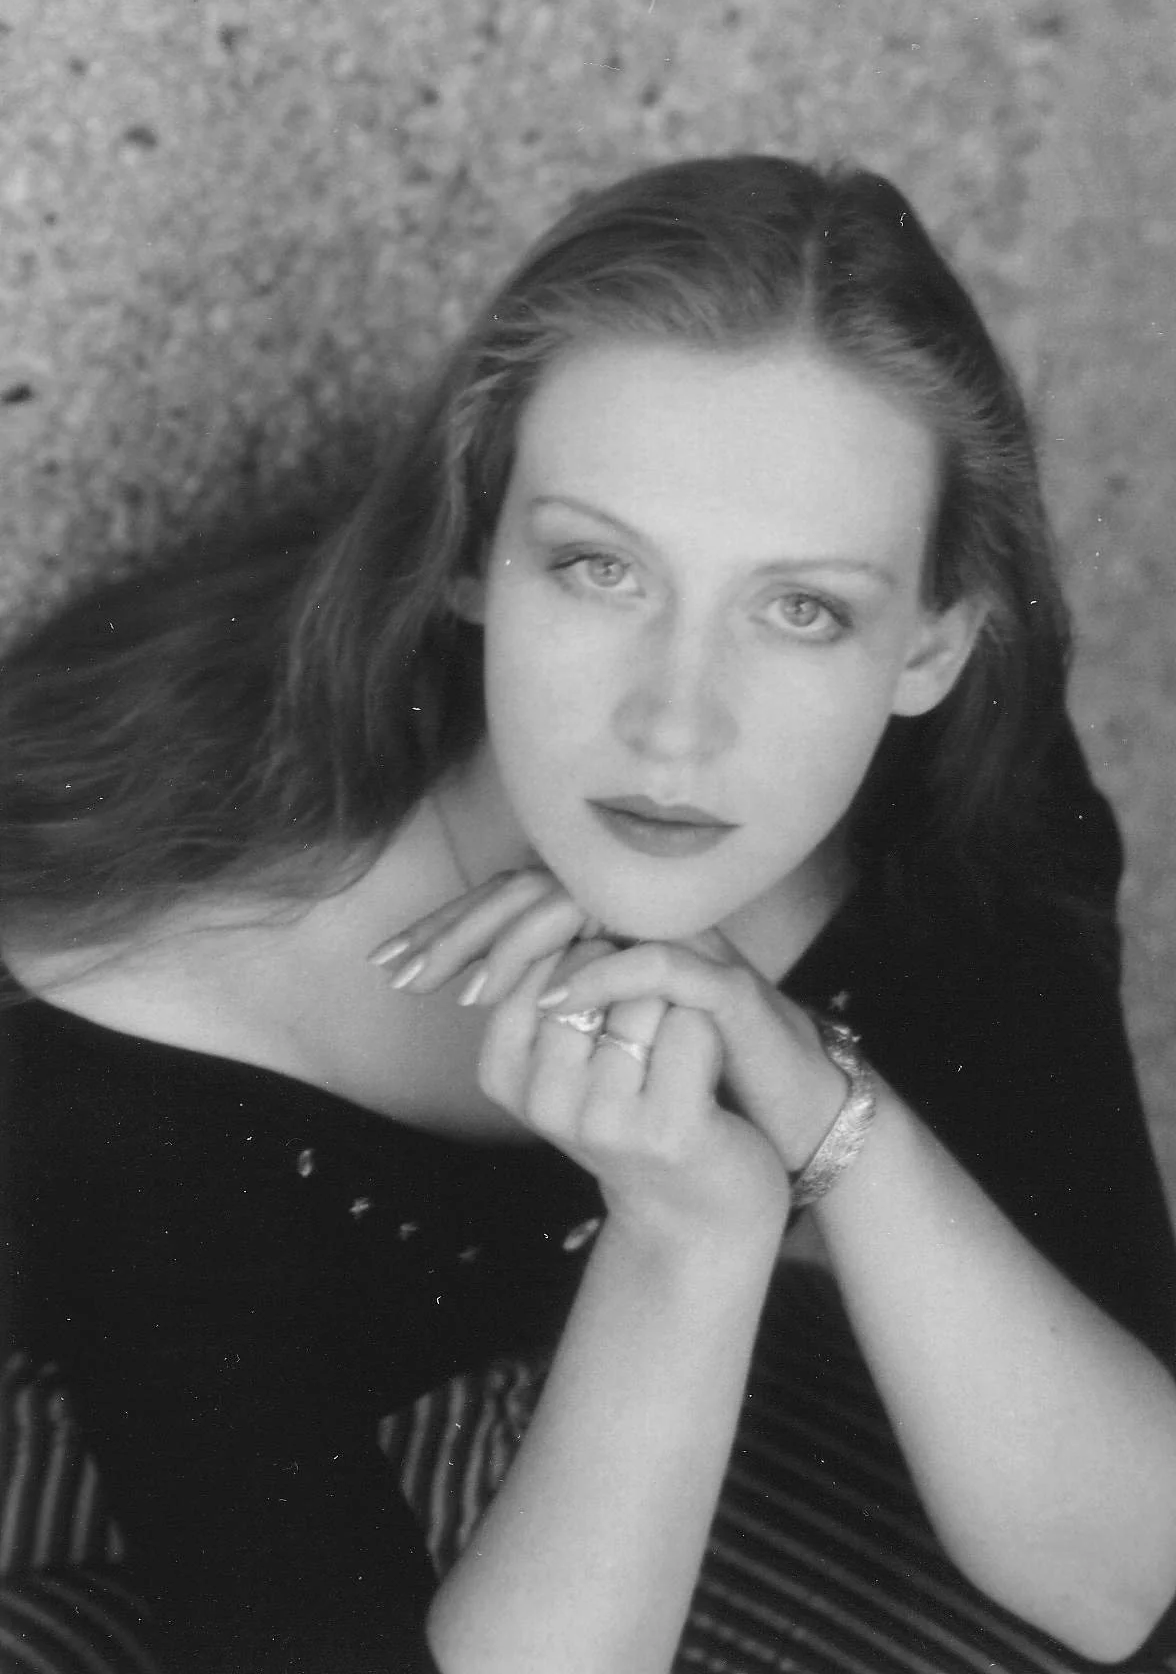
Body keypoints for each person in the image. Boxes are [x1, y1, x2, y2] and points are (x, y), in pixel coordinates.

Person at [2, 154, 1176, 1674]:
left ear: (930, 648)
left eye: (803, 609)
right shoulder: (151, 1008)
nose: (675, 726)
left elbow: (1125, 1577)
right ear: (470, 556)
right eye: (600, 568)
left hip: (491, 1450)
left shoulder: (943, 795)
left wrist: (814, 1094)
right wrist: (694, 1236)